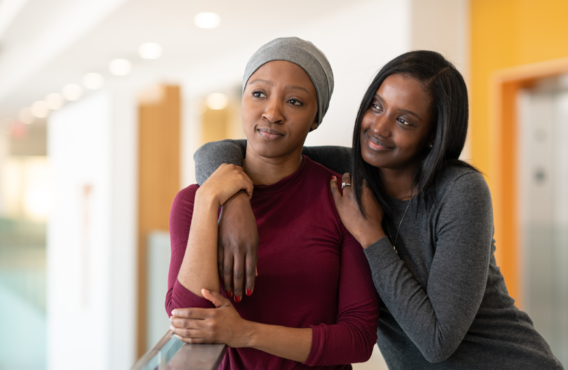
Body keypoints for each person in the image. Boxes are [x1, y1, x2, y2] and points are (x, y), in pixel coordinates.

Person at [192, 50, 564, 369]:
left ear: (433, 135)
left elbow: (437, 342)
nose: (378, 128)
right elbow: (217, 151)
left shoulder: (460, 191)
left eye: (404, 121)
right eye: (377, 106)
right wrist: (235, 201)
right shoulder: (347, 170)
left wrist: (371, 235)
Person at [166, 37, 380, 370]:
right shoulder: (194, 202)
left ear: (315, 119)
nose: (272, 112)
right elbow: (187, 317)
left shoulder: (342, 198)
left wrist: (246, 333)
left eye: (294, 101)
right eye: (259, 94)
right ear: (242, 100)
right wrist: (210, 201)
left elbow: (358, 338)